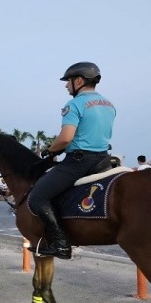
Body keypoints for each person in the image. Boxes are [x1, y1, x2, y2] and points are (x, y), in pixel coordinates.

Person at [28, 61, 116, 259]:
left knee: (37, 197)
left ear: (79, 80)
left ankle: (61, 244)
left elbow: (66, 138)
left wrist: (49, 149)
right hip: (103, 159)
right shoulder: (109, 105)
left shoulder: (74, 104)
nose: (66, 86)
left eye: (68, 81)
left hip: (79, 161)